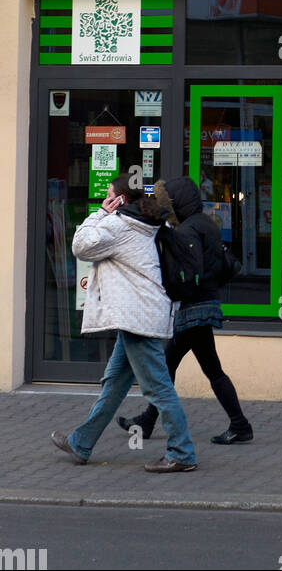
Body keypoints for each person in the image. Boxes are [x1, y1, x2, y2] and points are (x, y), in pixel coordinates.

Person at [51, 172, 197, 472]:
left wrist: (100, 213)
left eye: (108, 194)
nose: (105, 198)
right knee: (114, 384)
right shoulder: (149, 223)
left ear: (118, 199)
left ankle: (182, 453)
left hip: (137, 319)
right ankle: (82, 442)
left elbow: (80, 245)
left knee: (158, 389)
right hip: (140, 315)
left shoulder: (119, 226)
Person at [118, 177, 253, 445]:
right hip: (204, 305)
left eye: (167, 200)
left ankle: (240, 425)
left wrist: (174, 288)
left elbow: (191, 271)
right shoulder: (206, 224)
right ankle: (148, 420)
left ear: (178, 202)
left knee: (192, 368)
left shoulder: (189, 229)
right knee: (182, 366)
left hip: (195, 309)